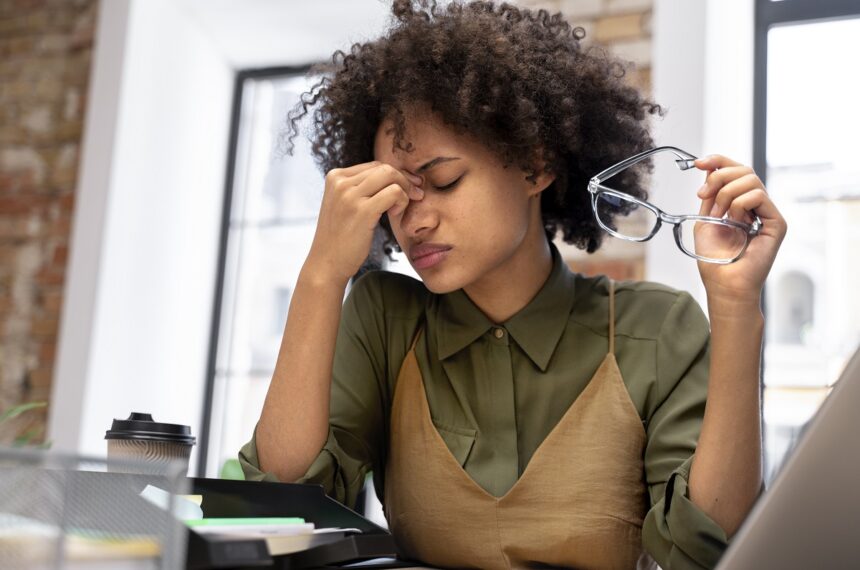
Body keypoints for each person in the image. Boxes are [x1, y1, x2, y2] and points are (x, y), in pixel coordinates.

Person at [239, 1, 787, 568]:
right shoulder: (384, 318)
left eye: (444, 180)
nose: (415, 219)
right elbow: (280, 509)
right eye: (397, 195)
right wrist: (322, 275)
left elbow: (709, 547)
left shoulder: (656, 329)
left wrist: (736, 305)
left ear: (535, 165)